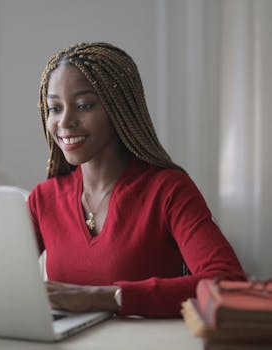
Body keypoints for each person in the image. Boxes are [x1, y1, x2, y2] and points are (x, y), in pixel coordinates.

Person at [27, 42, 244, 318]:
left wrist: (103, 297)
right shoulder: (42, 199)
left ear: (119, 108)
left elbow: (228, 282)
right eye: (55, 108)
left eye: (84, 105)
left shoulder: (168, 190)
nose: (65, 120)